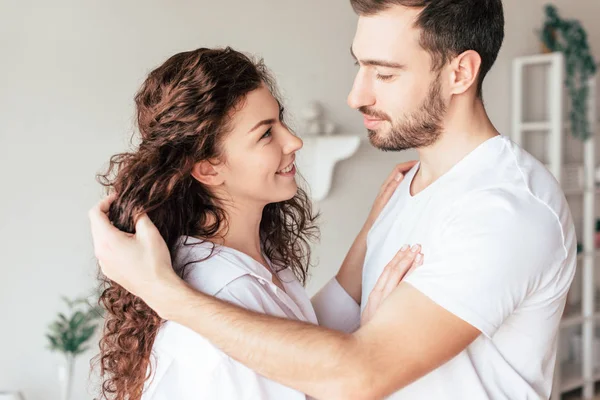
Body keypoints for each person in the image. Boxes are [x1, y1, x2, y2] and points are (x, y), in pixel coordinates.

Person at [90, 0, 578, 399]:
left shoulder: (506, 209)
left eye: (383, 74)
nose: (355, 95)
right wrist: (369, 237)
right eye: (358, 65)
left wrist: (165, 294)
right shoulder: (407, 192)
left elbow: (358, 371)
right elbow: (295, 336)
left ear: (460, 73)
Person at [92, 46, 421, 400]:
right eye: (266, 134)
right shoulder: (221, 292)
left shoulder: (245, 259)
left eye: (280, 120)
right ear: (207, 167)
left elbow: (297, 335)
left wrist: (376, 226)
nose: (294, 141)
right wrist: (366, 344)